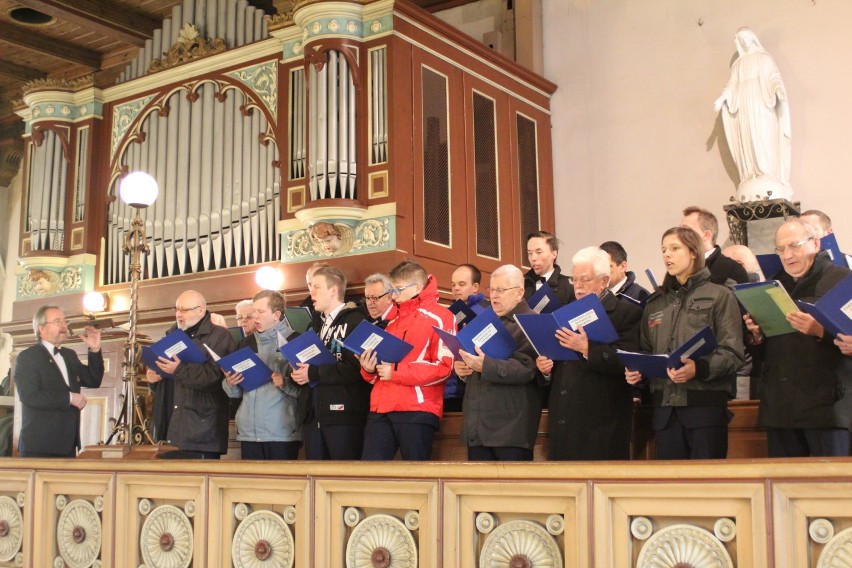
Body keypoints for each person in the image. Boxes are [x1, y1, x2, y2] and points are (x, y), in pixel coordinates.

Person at [626, 227, 744, 460]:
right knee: (673, 490)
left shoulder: (719, 295)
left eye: (674, 248)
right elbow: (647, 351)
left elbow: (732, 352)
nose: (666, 255)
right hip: (665, 413)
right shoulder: (655, 303)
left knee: (707, 488)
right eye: (663, 250)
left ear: (693, 252)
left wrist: (698, 368)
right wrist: (638, 373)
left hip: (705, 410)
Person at [744, 220, 852, 457]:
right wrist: (757, 335)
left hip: (827, 408)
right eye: (780, 249)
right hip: (781, 408)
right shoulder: (773, 286)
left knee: (829, 489)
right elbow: (763, 356)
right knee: (784, 487)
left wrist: (821, 332)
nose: (788, 255)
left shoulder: (843, 280)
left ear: (815, 243)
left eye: (794, 246)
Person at [536, 247, 642, 460]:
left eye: (585, 279)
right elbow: (557, 365)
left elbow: (627, 361)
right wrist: (545, 368)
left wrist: (587, 349)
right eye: (574, 280)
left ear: (604, 280)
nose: (579, 286)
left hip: (601, 426)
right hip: (564, 423)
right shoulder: (561, 313)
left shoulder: (626, 313)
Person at [357, 260, 455, 460]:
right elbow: (383, 369)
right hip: (381, 407)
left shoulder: (441, 316)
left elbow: (444, 368)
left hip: (416, 408)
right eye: (392, 289)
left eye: (399, 289)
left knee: (416, 479)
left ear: (418, 287)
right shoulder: (392, 320)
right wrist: (369, 370)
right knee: (370, 476)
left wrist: (396, 372)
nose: (394, 295)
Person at [455, 265, 542, 461]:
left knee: (510, 491)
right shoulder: (484, 322)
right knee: (477, 491)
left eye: (500, 290)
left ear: (519, 292)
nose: (494, 295)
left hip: (510, 430)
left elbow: (526, 369)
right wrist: (463, 369)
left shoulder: (532, 322)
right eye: (492, 290)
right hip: (477, 428)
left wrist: (484, 365)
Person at [291, 266, 371, 459]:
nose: (311, 292)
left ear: (333, 290)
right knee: (315, 479)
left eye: (317, 287)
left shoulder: (356, 321)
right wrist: (298, 373)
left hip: (343, 415)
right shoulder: (315, 325)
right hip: (314, 412)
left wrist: (313, 373)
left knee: (343, 477)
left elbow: (356, 369)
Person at [146, 290, 236, 459]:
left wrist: (179, 369)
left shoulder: (220, 336)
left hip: (202, 431)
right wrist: (154, 379)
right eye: (177, 309)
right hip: (171, 428)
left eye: (184, 310)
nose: (179, 314)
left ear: (200, 311)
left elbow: (215, 378)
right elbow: (171, 382)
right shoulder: (171, 336)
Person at [14, 306, 103, 457]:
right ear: (41, 328)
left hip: (68, 445)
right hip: (39, 446)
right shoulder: (28, 357)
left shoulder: (69, 355)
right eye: (57, 321)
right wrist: (69, 398)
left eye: (64, 321)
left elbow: (93, 380)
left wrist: (95, 350)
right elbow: (29, 397)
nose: (64, 326)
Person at [714, 27, 791, 202]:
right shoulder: (739, 64)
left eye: (746, 37)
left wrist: (778, 90)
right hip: (744, 107)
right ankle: (751, 172)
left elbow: (774, 77)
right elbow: (731, 85)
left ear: (752, 38)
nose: (744, 41)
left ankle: (766, 172)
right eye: (740, 39)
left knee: (762, 137)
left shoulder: (764, 59)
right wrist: (722, 98)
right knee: (747, 138)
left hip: (761, 103)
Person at [223, 290, 302, 460]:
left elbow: (307, 390)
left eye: (260, 312)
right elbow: (236, 393)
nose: (255, 317)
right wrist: (230, 383)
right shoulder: (244, 344)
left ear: (276, 315)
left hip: (281, 431)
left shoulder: (295, 340)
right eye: (254, 312)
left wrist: (285, 383)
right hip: (249, 432)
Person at [444, 263, 487, 412]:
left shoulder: (483, 312)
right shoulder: (448, 313)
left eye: (461, 284)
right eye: (453, 284)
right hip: (448, 387)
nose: (456, 288)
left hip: (471, 389)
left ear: (475, 287)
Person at [681, 206, 750, 286]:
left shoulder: (731, 269)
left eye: (686, 230)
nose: (679, 236)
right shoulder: (679, 266)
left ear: (706, 235)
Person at [523, 230, 575, 305]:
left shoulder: (570, 285)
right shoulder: (521, 286)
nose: (533, 258)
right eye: (530, 253)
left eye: (539, 252)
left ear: (554, 254)